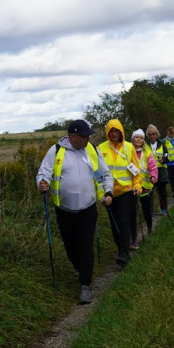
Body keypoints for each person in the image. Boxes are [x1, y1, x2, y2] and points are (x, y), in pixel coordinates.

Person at [36, 119, 114, 304]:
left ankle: (85, 284)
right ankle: (83, 269)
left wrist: (108, 192)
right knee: (71, 247)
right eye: (84, 135)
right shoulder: (56, 151)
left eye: (88, 135)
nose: (88, 138)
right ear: (72, 137)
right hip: (64, 210)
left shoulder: (92, 150)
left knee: (85, 244)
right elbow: (43, 173)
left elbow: (105, 174)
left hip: (88, 208)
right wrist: (42, 183)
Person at [98, 119, 140, 267]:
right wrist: (101, 194)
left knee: (123, 221)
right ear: (107, 132)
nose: (114, 134)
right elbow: (97, 174)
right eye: (111, 131)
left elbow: (136, 171)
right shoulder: (100, 149)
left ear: (121, 131)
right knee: (114, 224)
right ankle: (121, 248)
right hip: (109, 195)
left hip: (126, 192)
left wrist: (137, 187)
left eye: (117, 131)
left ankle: (124, 253)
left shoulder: (129, 148)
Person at [130, 128, 158, 242]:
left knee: (147, 210)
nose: (139, 139)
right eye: (137, 137)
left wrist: (153, 176)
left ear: (143, 140)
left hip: (146, 186)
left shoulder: (147, 152)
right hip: (132, 187)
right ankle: (133, 236)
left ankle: (150, 228)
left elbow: (152, 166)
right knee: (133, 213)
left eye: (141, 138)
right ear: (132, 139)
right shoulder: (127, 150)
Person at [146, 124, 170, 215]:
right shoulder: (145, 144)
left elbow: (166, 154)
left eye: (153, 134)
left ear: (156, 134)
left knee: (162, 191)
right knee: (150, 192)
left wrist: (163, 159)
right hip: (149, 171)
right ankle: (150, 211)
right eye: (150, 134)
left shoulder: (161, 143)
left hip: (160, 170)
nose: (152, 136)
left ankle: (164, 208)